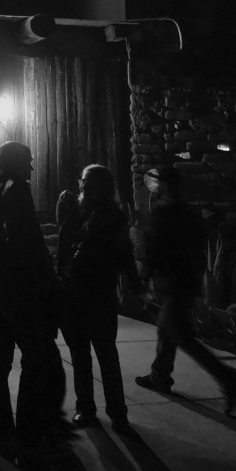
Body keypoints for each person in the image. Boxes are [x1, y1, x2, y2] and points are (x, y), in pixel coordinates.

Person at [0, 141, 65, 465]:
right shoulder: (17, 190)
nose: (31, 166)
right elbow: (25, 241)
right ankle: (29, 434)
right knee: (35, 360)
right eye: (27, 160)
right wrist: (43, 281)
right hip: (17, 289)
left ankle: (2, 435)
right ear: (15, 163)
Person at [135, 166, 236, 413]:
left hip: (172, 282)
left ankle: (228, 377)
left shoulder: (163, 211)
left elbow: (154, 250)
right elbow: (198, 248)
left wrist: (144, 278)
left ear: (163, 185)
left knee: (178, 334)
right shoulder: (190, 212)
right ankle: (160, 376)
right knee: (169, 330)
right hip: (186, 282)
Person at [57, 164, 143, 432]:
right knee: (81, 353)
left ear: (99, 186)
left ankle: (118, 412)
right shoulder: (79, 211)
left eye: (85, 182)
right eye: (81, 181)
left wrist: (133, 285)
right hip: (74, 293)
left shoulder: (112, 217)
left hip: (98, 293)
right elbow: (66, 241)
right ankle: (86, 407)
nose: (80, 186)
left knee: (106, 355)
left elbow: (124, 253)